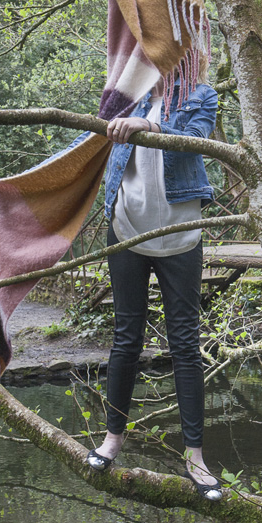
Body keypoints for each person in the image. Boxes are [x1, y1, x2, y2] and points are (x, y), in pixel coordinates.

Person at [86, 77, 222, 501]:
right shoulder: (125, 93)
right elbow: (81, 149)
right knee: (127, 337)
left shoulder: (201, 93)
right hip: (126, 229)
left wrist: (151, 130)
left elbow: (197, 140)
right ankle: (113, 440)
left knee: (185, 343)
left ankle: (195, 456)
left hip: (181, 235)